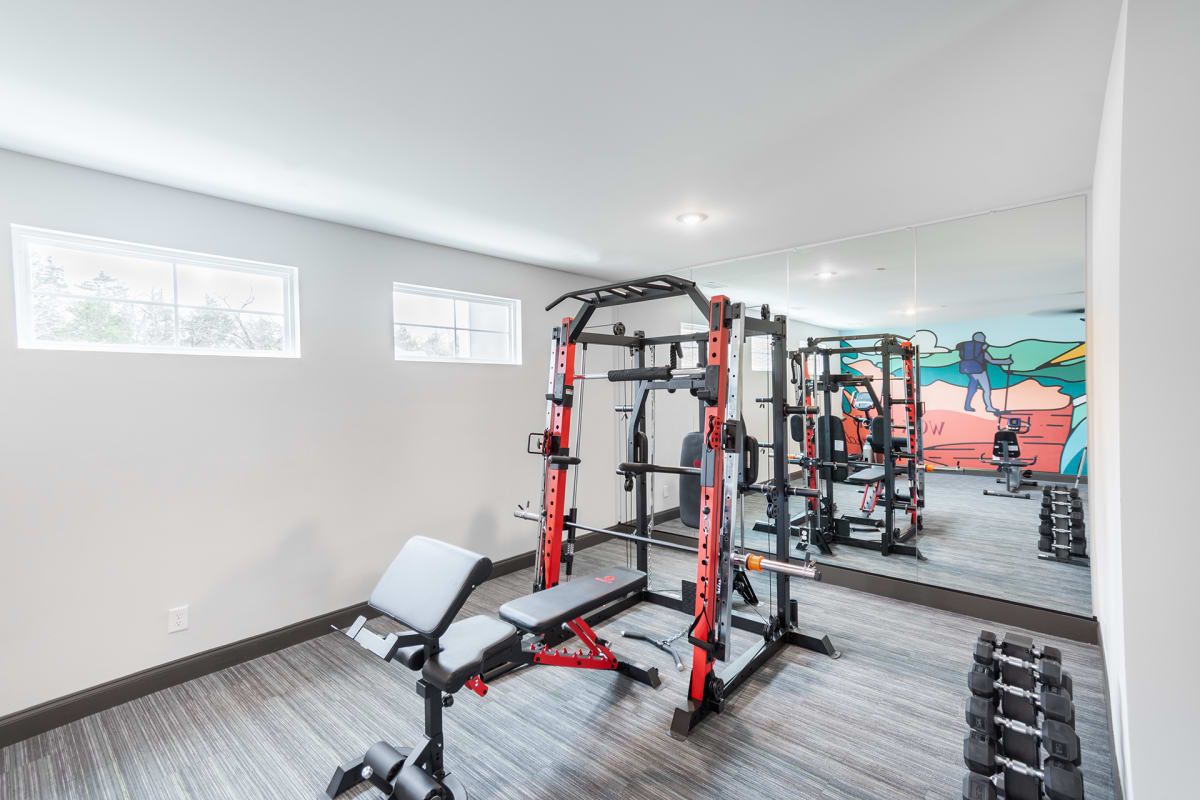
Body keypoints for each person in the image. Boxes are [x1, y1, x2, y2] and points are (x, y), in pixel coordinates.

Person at [955, 332, 1013, 414]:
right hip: (980, 371)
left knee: (972, 389)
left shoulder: (967, 350)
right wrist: (1006, 361)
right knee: (986, 389)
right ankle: (989, 407)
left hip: (969, 371)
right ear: (981, 339)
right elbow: (992, 361)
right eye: (983, 338)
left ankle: (967, 406)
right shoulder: (982, 351)